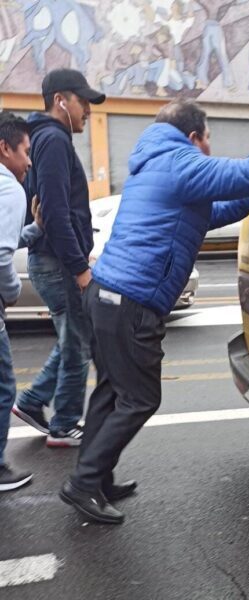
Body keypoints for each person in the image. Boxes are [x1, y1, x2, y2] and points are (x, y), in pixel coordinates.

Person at [60, 79, 249, 524]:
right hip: (131, 302)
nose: (209, 149)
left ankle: (97, 476)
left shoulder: (155, 163)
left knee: (112, 391)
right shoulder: (181, 161)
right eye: (209, 140)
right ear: (194, 137)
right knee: (140, 398)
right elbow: (245, 173)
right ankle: (84, 483)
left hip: (105, 296)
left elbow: (210, 212)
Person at [12, 69, 106, 448]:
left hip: (53, 259)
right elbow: (54, 210)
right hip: (57, 262)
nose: (87, 110)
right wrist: (80, 268)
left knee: (73, 338)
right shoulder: (52, 140)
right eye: (83, 102)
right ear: (60, 101)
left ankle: (33, 401)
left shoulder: (48, 138)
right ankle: (64, 424)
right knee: (78, 345)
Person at [0, 112, 43, 490]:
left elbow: (9, 240)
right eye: (25, 152)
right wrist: (11, 293)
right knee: (3, 386)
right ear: (5, 148)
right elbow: (0, 253)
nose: (29, 161)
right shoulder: (11, 188)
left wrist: (34, 228)